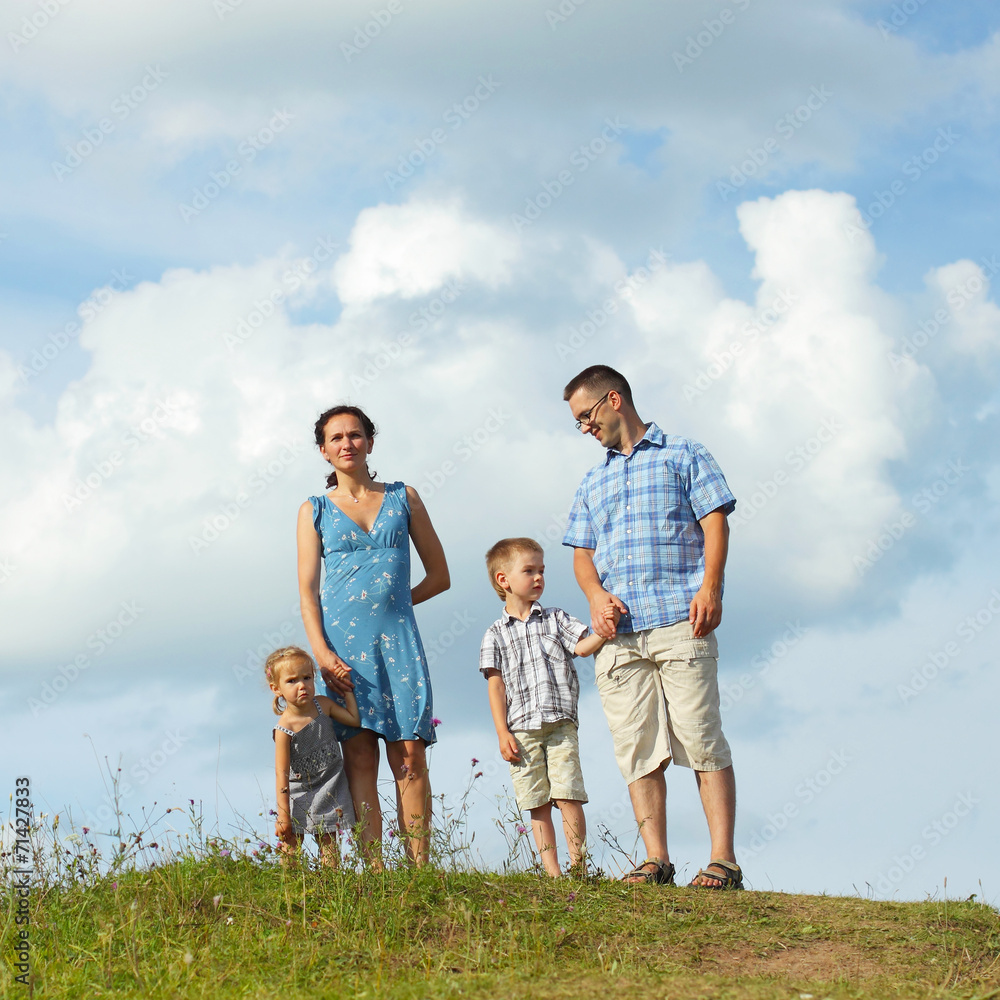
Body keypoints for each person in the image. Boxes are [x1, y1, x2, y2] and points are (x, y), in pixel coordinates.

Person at [561, 365, 742, 889]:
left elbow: (715, 521)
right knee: (637, 746)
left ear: (613, 400)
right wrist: (595, 597)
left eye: (586, 417)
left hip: (681, 619)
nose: (585, 429)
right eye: (578, 423)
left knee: (701, 736)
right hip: (618, 638)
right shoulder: (592, 480)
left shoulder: (684, 454)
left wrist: (710, 587)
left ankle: (723, 860)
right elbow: (582, 555)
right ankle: (655, 860)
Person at [297, 404, 450, 867]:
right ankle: (375, 869)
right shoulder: (314, 510)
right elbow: (307, 593)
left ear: (369, 441)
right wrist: (321, 653)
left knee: (409, 757)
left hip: (399, 646)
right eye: (337, 438)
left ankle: (419, 870)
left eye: (355, 435)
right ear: (324, 451)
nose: (347, 444)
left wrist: (396, 604)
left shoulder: (406, 497)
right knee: (359, 758)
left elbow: (439, 576)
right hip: (343, 654)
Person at [479, 537, 614, 877]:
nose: (538, 577)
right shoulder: (494, 634)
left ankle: (579, 867)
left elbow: (582, 647)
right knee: (537, 802)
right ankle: (552, 872)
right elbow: (495, 685)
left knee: (568, 794)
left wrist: (603, 630)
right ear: (503, 580)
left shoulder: (555, 618)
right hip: (521, 728)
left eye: (541, 570)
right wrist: (501, 731)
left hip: (560, 722)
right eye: (529, 571)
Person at [267, 645, 361, 866]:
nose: (302, 686)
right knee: (291, 845)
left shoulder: (323, 705)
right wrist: (283, 815)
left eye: (307, 677)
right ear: (276, 688)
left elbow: (353, 720)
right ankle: (288, 890)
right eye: (292, 681)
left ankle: (328, 890)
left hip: (329, 787)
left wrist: (348, 690)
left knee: (329, 844)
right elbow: (281, 775)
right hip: (299, 792)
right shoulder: (284, 729)